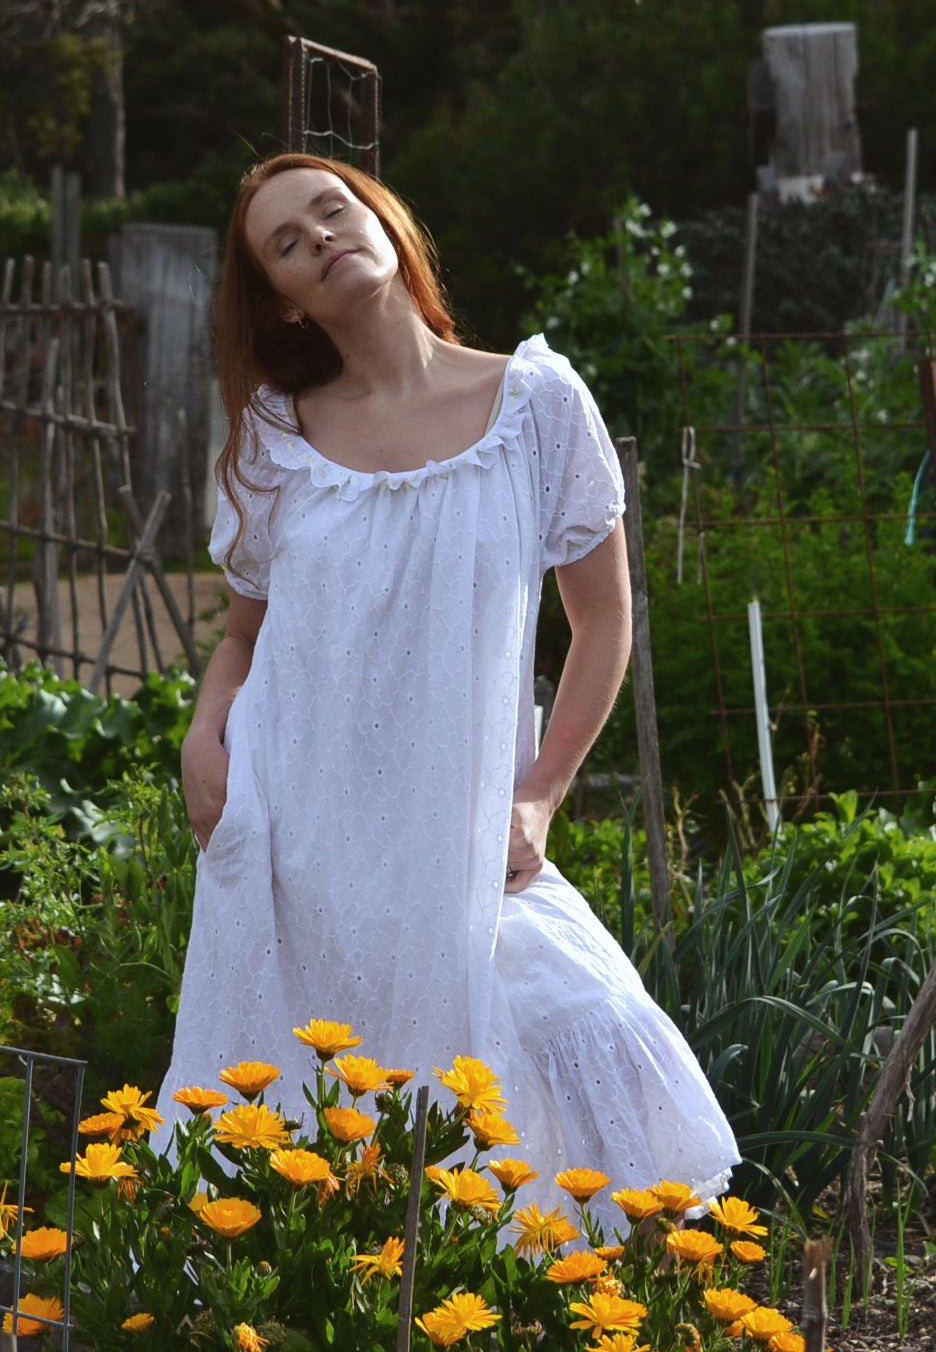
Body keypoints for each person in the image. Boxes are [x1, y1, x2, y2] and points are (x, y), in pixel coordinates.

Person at [150, 152, 740, 1210]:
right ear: (282, 300)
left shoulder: (535, 404)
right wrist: (204, 736)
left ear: (381, 217)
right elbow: (242, 637)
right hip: (293, 843)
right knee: (301, 1133)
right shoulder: (275, 440)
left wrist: (542, 794)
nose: (320, 237)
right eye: (287, 243)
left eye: (332, 209)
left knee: (571, 1027)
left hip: (460, 840)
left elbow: (604, 618)